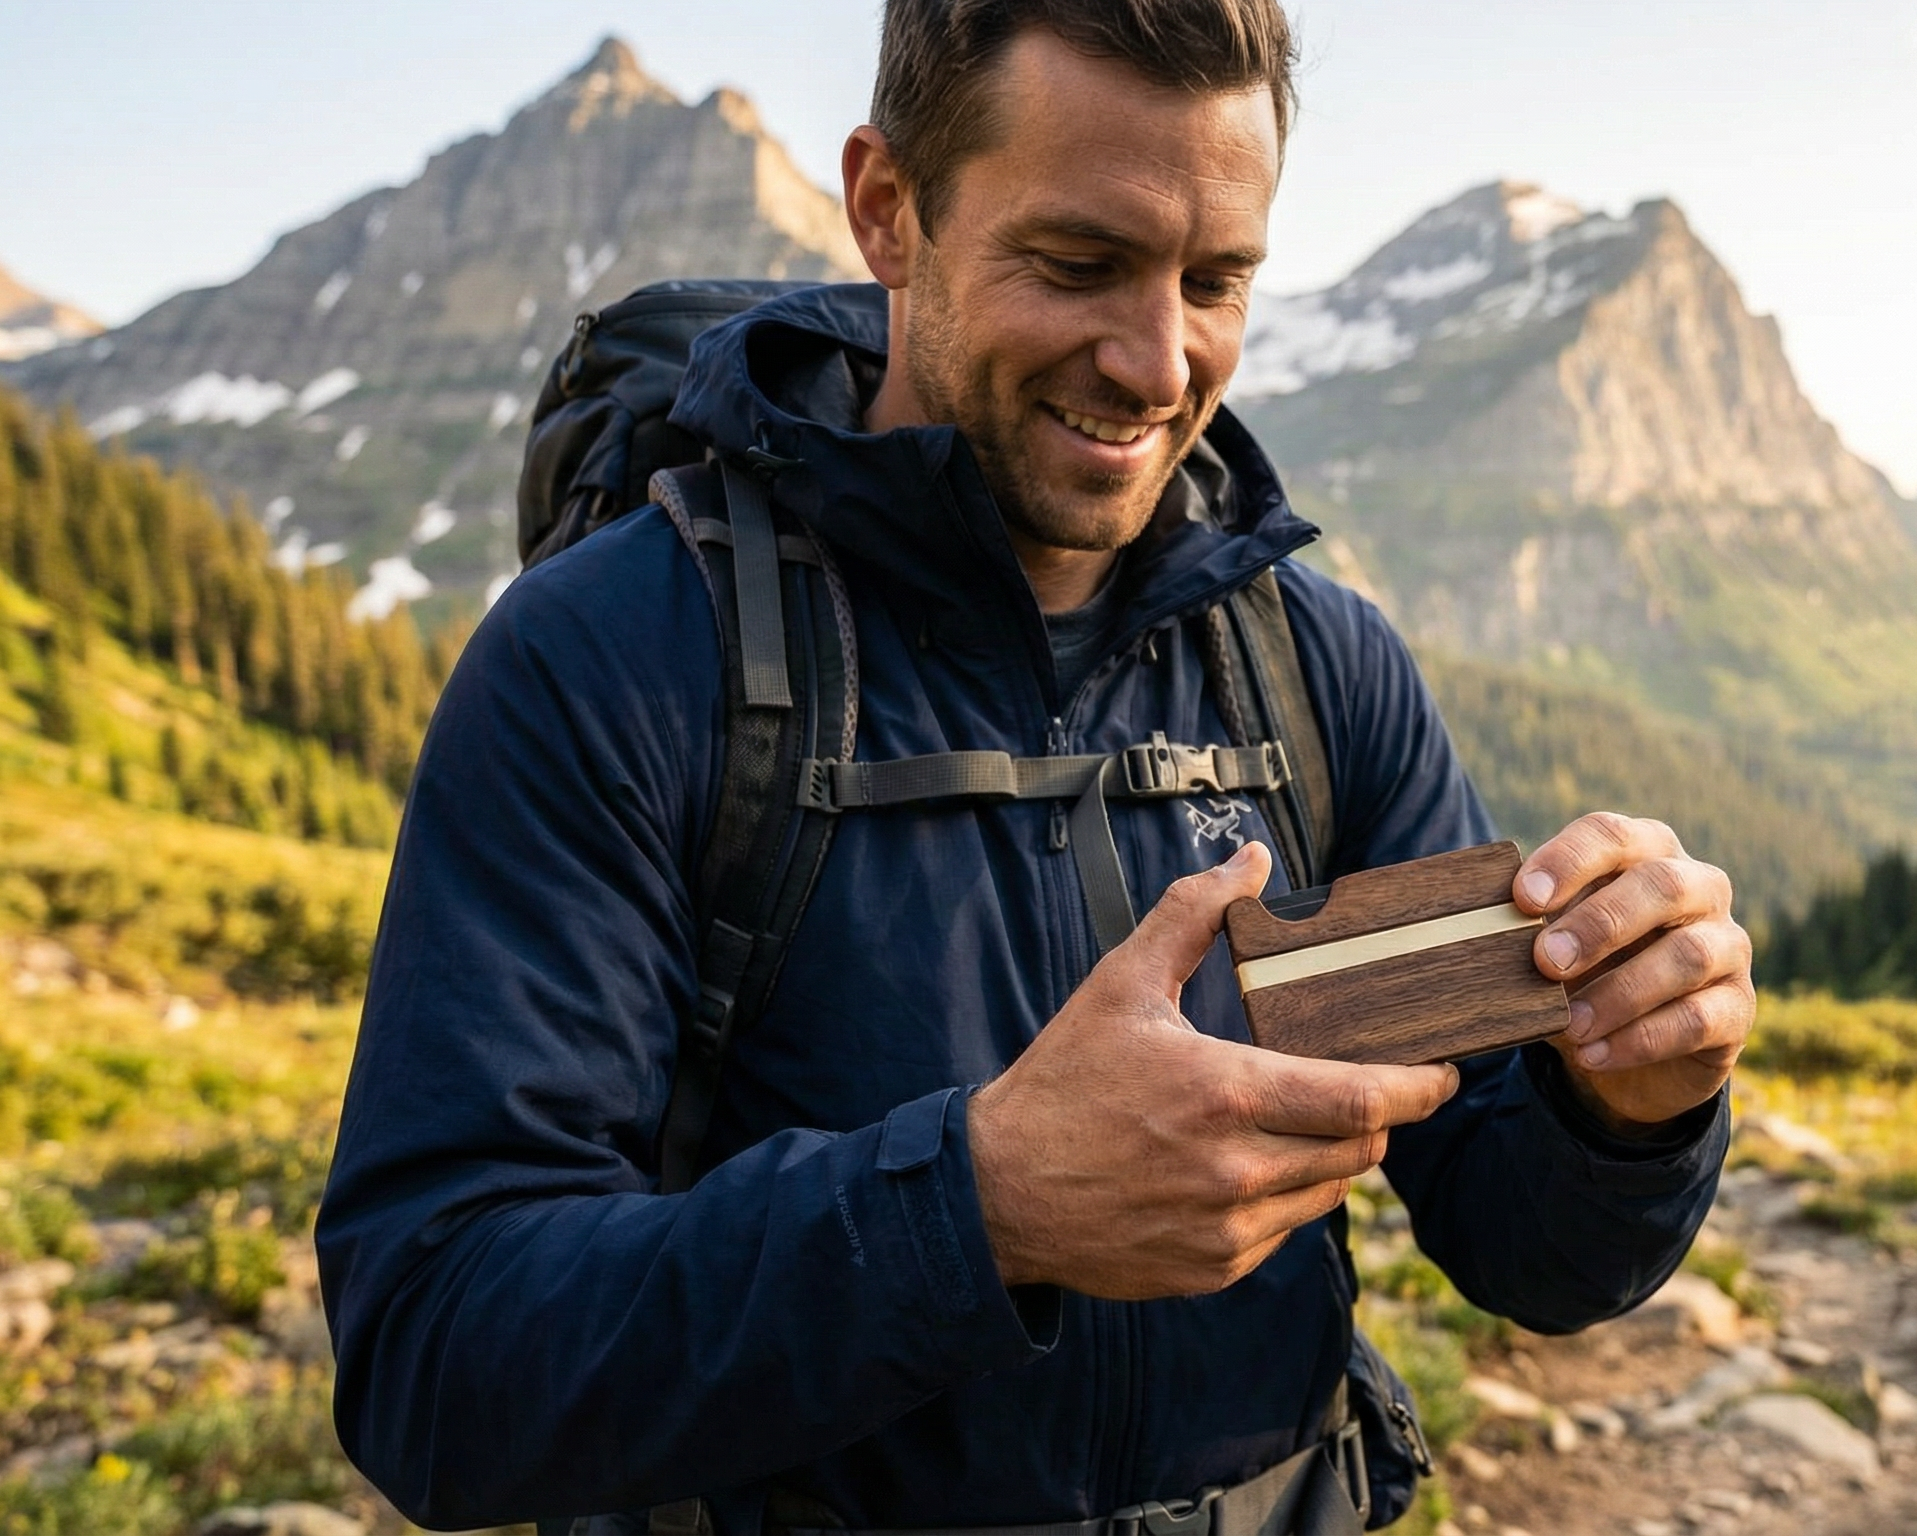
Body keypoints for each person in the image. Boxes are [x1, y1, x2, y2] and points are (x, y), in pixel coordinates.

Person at [316, 2, 1754, 1532]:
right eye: (1078, 266)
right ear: (889, 209)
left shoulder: (1316, 668)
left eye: (1217, 281)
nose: (1156, 363)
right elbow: (435, 1354)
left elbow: (1530, 1247)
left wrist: (1632, 1105)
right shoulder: (613, 659)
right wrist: (981, 1206)